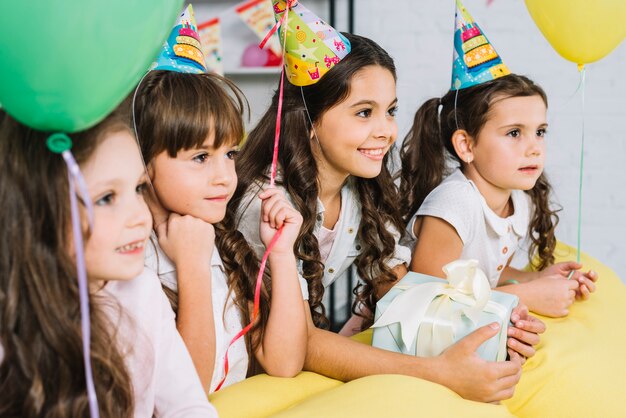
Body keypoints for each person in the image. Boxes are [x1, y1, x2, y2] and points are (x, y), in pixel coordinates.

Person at [0, 103, 216, 417]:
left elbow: (188, 407)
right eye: (106, 198)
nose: (140, 218)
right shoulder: (9, 319)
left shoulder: (143, 291)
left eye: (139, 188)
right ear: (39, 210)